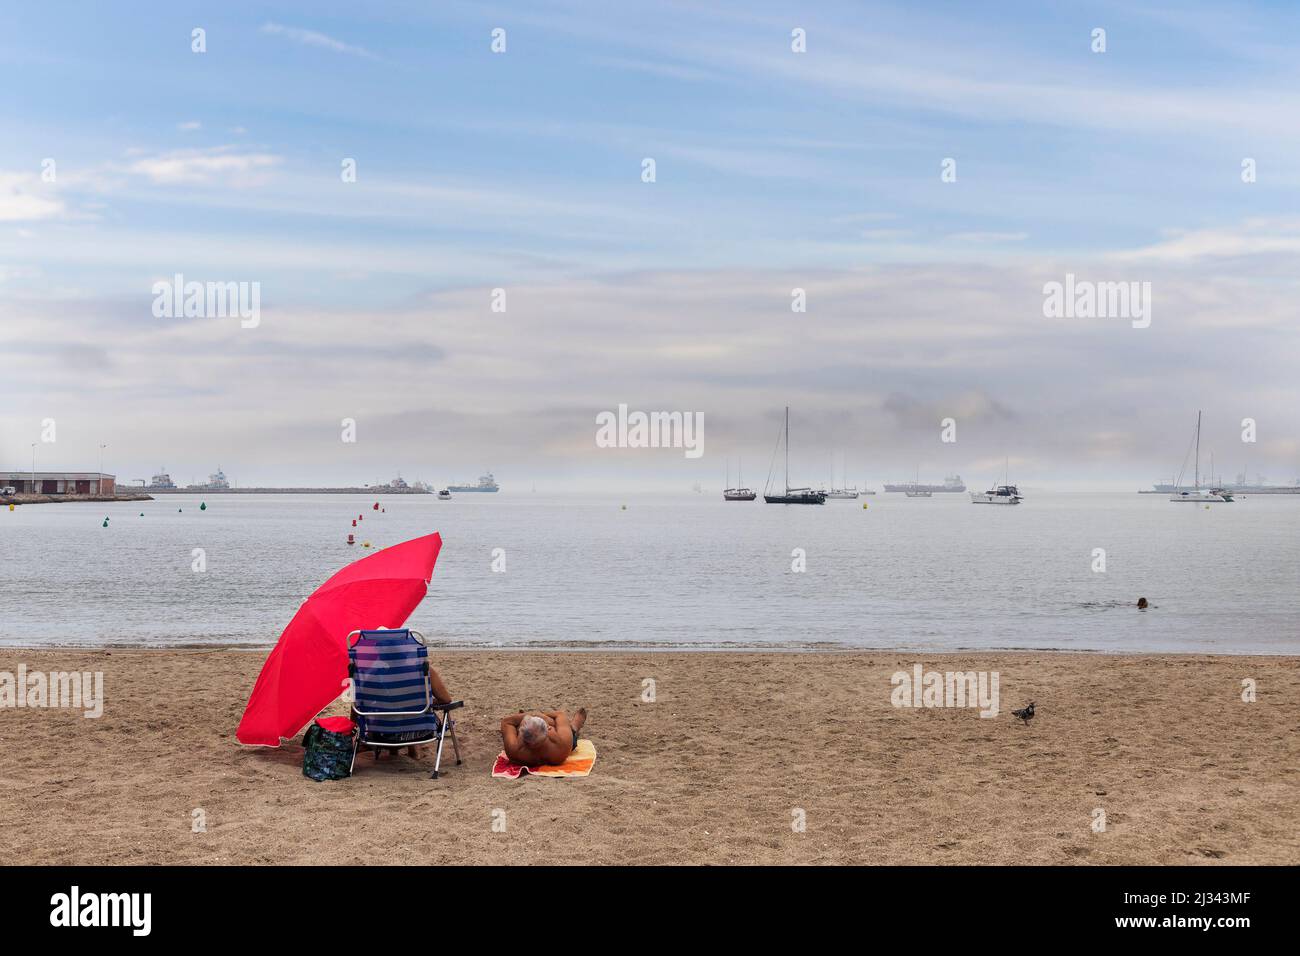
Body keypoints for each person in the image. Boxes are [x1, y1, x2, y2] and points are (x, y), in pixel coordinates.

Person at [501, 707, 588, 767]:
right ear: (548, 729)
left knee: (517, 728)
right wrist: (541, 716)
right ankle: (574, 726)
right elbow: (560, 715)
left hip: (526, 759)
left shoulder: (514, 751)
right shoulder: (562, 745)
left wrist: (525, 717)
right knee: (562, 727)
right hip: (558, 752)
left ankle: (524, 722)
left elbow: (506, 722)